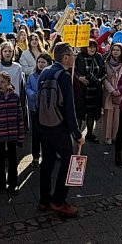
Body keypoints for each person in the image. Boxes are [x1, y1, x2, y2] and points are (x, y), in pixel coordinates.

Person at [36, 43, 85, 217]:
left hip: (43, 124)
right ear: (65, 57)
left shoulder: (45, 71)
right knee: (68, 160)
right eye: (72, 54)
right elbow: (69, 109)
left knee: (47, 162)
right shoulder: (63, 76)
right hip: (58, 126)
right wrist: (77, 134)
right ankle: (58, 201)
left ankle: (43, 200)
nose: (75, 56)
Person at [0, 71, 25, 194]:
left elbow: (20, 116)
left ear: (8, 83)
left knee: (13, 159)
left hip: (12, 133)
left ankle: (13, 183)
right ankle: (1, 183)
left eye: (2, 82)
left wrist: (21, 135)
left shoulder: (15, 97)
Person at [74, 39, 106, 143]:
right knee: (79, 113)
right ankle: (77, 134)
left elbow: (104, 72)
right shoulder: (79, 57)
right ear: (85, 47)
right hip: (82, 90)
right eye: (90, 47)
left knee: (91, 113)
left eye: (94, 47)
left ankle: (90, 134)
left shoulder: (99, 57)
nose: (92, 49)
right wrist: (80, 78)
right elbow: (73, 71)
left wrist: (98, 80)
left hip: (95, 91)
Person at [26, 53, 52, 167]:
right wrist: (34, 95)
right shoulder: (32, 75)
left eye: (43, 62)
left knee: (47, 134)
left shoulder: (51, 76)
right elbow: (28, 88)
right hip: (35, 108)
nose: (41, 64)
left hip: (47, 109)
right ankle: (35, 156)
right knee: (36, 134)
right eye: (39, 62)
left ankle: (47, 155)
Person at [102, 43, 122, 145]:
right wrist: (112, 90)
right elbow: (103, 78)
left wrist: (120, 90)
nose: (115, 52)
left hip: (120, 93)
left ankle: (115, 136)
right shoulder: (106, 63)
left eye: (118, 50)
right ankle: (107, 137)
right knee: (108, 115)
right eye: (114, 50)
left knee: (117, 116)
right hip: (108, 92)